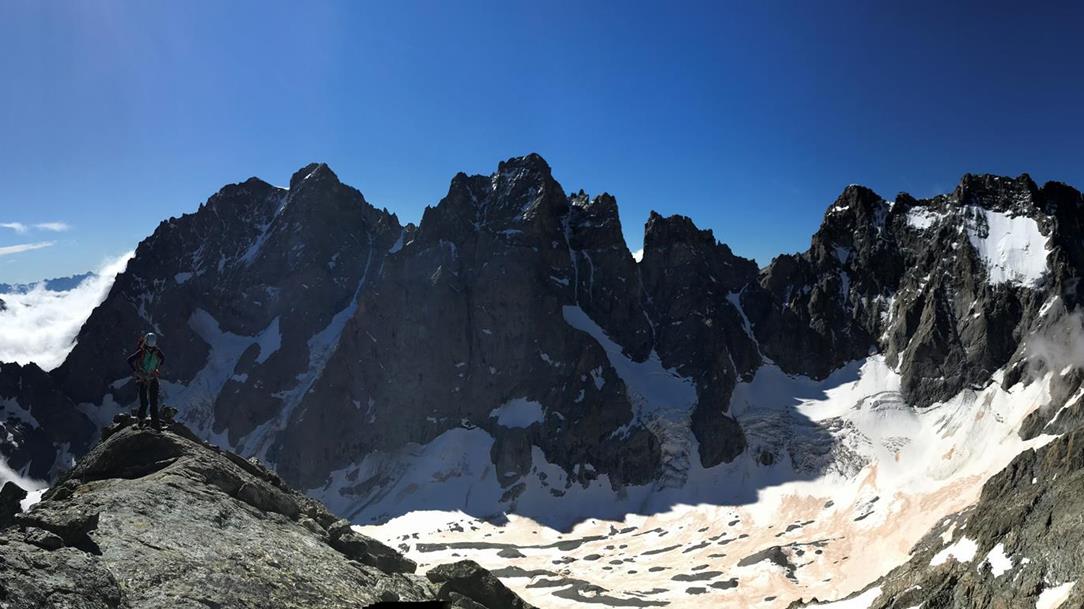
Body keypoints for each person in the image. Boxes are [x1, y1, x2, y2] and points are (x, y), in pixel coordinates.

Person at [127, 332, 165, 430]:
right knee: (148, 402)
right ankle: (152, 425)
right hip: (146, 378)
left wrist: (137, 372)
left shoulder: (143, 351)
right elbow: (163, 359)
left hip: (144, 378)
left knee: (149, 402)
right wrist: (156, 368)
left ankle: (146, 423)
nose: (150, 348)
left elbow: (130, 360)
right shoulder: (151, 351)